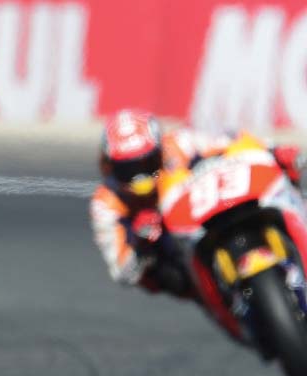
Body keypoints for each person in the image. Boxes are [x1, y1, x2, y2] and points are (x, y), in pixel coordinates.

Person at [90, 109, 303, 298]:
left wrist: (273, 151)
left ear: (159, 150)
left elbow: (233, 142)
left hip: (210, 209)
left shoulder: (179, 143)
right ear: (109, 166)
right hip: (175, 255)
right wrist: (142, 243)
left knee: (282, 181)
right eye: (128, 170)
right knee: (169, 277)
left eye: (147, 164)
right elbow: (122, 270)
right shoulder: (106, 203)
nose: (140, 178)